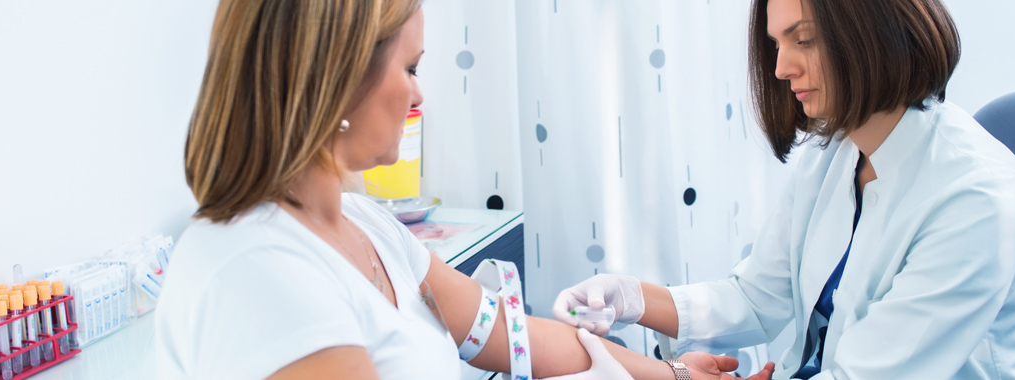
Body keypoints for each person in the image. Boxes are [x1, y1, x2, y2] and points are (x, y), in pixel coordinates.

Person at [154, 0, 774, 379]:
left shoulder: (362, 226)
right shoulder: (258, 270)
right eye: (411, 67)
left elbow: (506, 335)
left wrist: (671, 375)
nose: (420, 94)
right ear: (338, 78)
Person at [553, 0, 1015, 379]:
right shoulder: (835, 152)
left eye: (804, 40)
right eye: (776, 45)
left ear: (873, 33)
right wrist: (630, 299)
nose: (780, 68)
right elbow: (756, 298)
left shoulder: (977, 202)